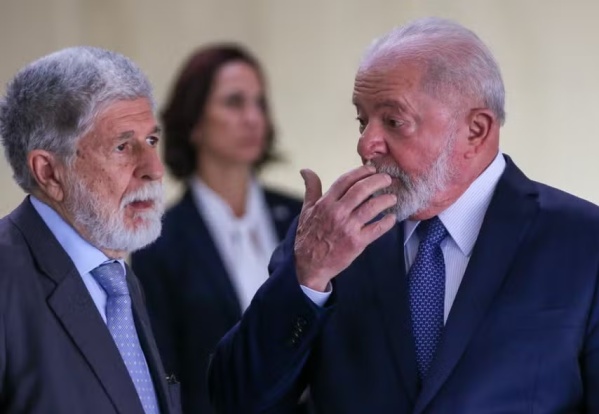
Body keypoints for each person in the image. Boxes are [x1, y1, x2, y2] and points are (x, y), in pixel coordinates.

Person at [207, 17, 599, 413]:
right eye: (362, 121)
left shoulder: (585, 241)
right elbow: (234, 400)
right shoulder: (325, 238)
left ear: (476, 131)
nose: (366, 144)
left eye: (394, 121)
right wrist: (307, 277)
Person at [0, 47, 181, 414]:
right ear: (49, 172)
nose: (154, 169)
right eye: (122, 146)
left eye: (151, 141)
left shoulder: (116, 276)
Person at [130, 44, 303, 413]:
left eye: (259, 103)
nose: (253, 117)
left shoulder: (299, 216)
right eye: (234, 102)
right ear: (194, 121)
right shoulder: (159, 241)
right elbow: (166, 373)